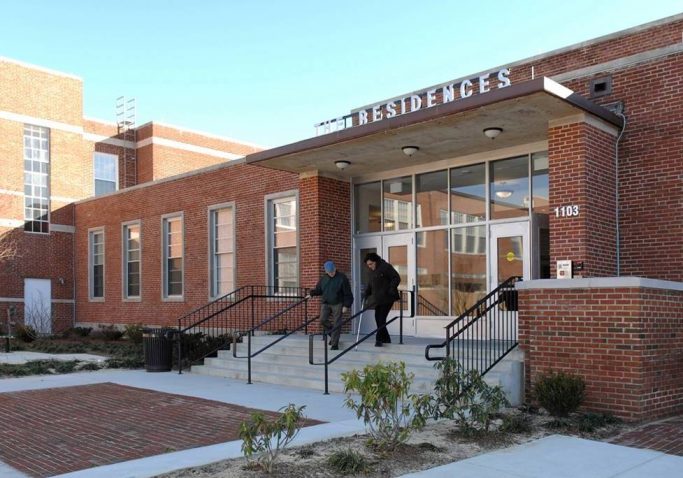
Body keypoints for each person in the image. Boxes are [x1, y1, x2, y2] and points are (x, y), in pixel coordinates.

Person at [308, 260, 353, 350]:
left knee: (337, 323)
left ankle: (334, 344)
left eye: (332, 271)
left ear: (335, 268)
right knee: (322, 320)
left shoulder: (342, 278)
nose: (331, 273)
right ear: (326, 271)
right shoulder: (324, 279)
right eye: (329, 272)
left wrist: (346, 305)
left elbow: (348, 293)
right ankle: (333, 334)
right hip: (326, 303)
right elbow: (319, 290)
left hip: (338, 303)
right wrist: (311, 294)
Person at [362, 252, 401, 347]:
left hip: (388, 297)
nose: (370, 266)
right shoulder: (372, 271)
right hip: (378, 299)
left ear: (375, 261)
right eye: (368, 265)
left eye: (371, 264)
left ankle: (378, 339)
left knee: (381, 319)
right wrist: (367, 293)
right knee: (377, 318)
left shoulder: (385, 267)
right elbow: (371, 284)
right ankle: (386, 339)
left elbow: (396, 278)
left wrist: (391, 288)